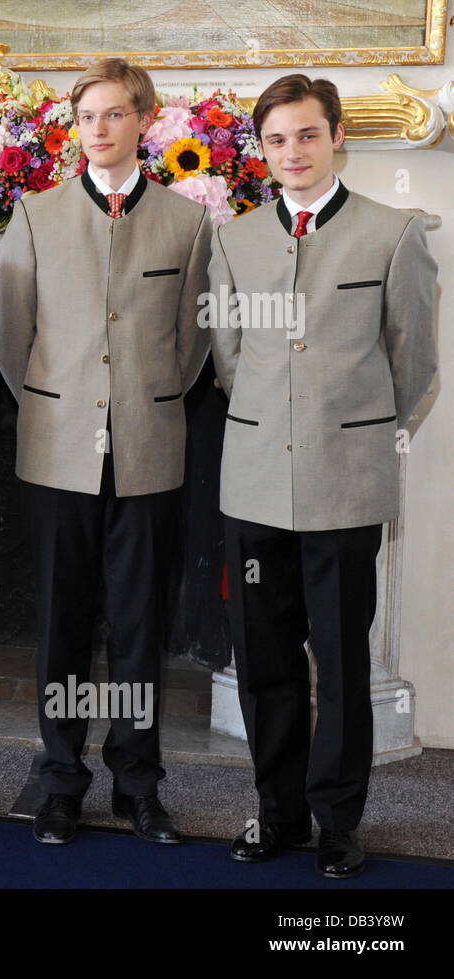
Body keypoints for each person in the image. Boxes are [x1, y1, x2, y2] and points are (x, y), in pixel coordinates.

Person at [210, 75, 437, 879]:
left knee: (341, 662)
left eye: (307, 135)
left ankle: (338, 820)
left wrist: (359, 431)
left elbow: (415, 366)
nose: (292, 152)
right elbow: (230, 359)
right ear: (262, 150)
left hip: (346, 484)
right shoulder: (233, 239)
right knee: (264, 658)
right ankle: (276, 812)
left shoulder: (394, 233)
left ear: (337, 136)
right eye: (276, 140)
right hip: (256, 482)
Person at [0, 58, 212, 846]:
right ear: (74, 125)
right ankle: (59, 780)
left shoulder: (187, 223)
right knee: (61, 624)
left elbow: (192, 345)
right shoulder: (34, 215)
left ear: (144, 120)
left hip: (150, 451)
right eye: (88, 117)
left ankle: (137, 781)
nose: (101, 129)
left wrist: (139, 404)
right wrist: (59, 404)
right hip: (56, 453)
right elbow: (12, 338)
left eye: (116, 114)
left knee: (139, 626)